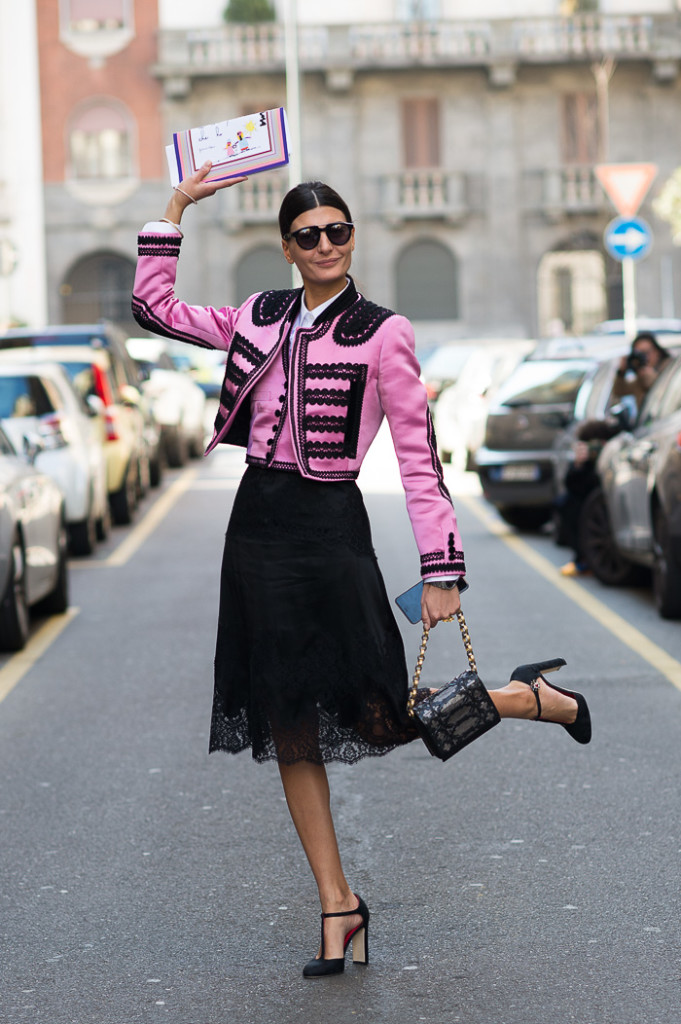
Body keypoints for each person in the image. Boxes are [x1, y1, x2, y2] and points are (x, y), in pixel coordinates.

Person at [131, 162, 591, 978]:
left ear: (353, 237)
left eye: (337, 231)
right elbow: (154, 308)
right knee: (287, 725)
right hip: (258, 530)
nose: (325, 245)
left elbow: (419, 461)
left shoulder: (385, 331)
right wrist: (175, 208)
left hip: (331, 529)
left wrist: (441, 566)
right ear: (286, 248)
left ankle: (524, 696)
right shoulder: (255, 316)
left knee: (380, 710)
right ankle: (337, 906)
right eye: (308, 236)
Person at [557, 418, 621, 577]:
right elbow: (571, 484)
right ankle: (582, 559)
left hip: (608, 504)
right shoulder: (585, 463)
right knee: (566, 503)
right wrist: (579, 465)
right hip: (586, 503)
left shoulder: (614, 456)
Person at [613, 331, 672, 405]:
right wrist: (621, 372)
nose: (643, 357)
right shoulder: (639, 378)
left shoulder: (670, 370)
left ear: (657, 352)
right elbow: (619, 391)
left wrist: (651, 377)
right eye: (639, 354)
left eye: (646, 352)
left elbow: (666, 393)